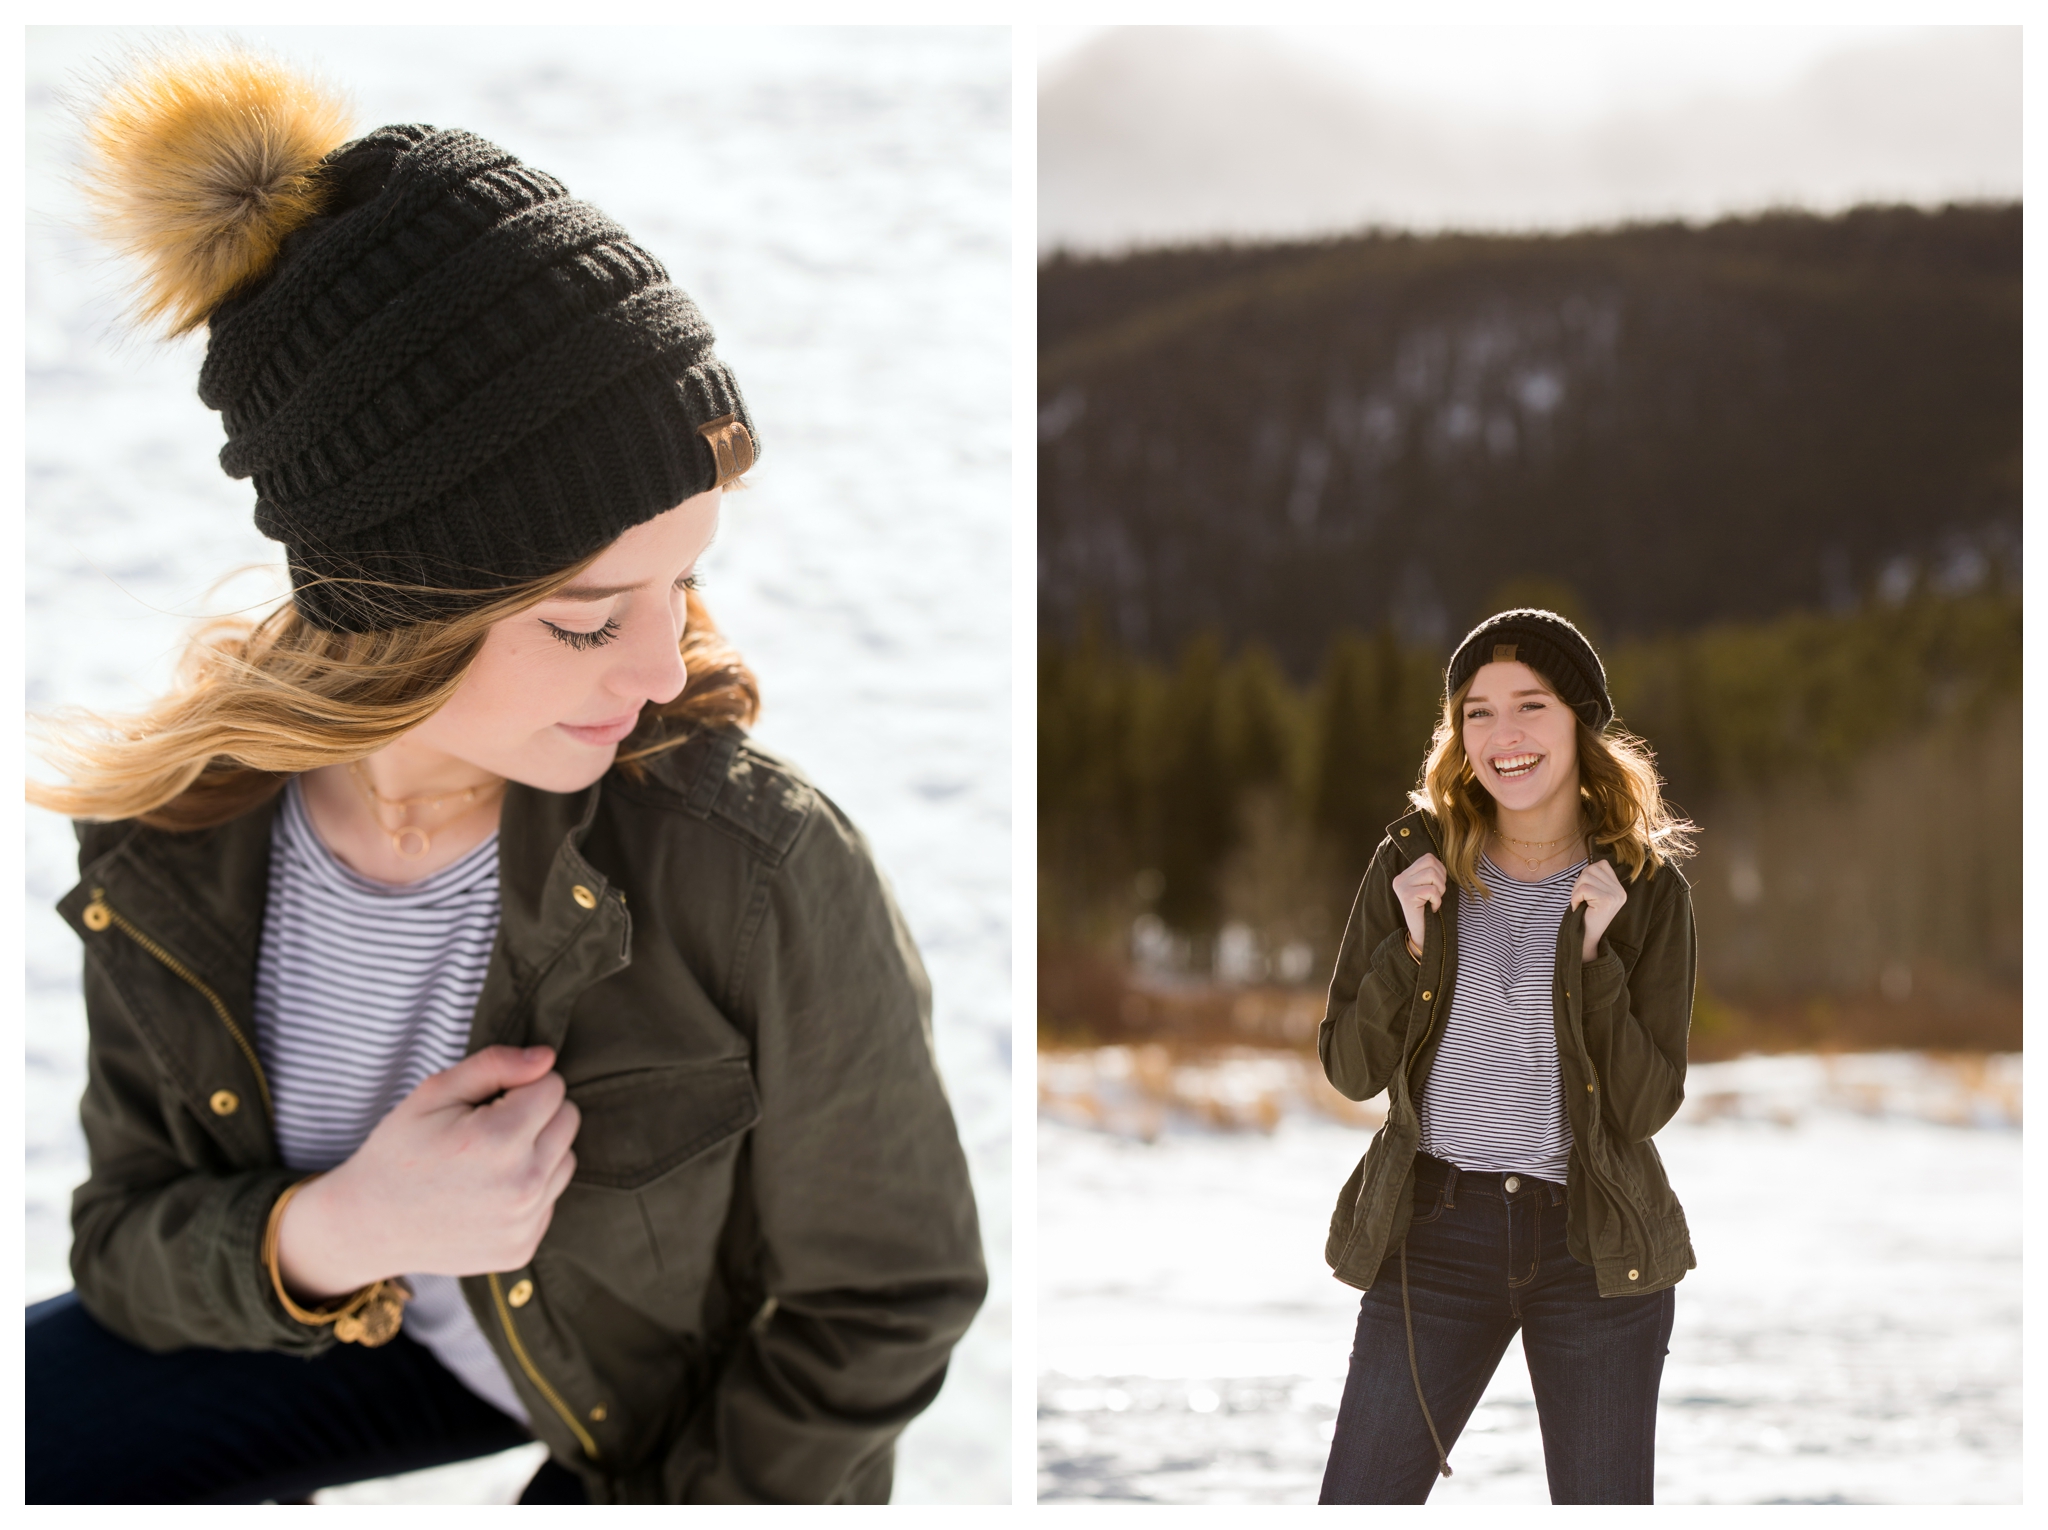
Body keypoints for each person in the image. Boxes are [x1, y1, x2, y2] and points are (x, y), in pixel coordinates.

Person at [25, 46, 985, 1505]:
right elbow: (127, 1247)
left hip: (656, 1422)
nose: (662, 670)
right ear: (399, 608)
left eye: (683, 588)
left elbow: (885, 1296)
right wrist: (338, 1228)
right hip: (350, 1334)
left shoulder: (753, 864)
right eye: (590, 619)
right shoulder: (182, 848)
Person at [1315, 608, 1697, 1505]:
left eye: (1530, 706)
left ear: (1579, 723)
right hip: (1435, 1237)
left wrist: (1597, 959)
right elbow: (1348, 1066)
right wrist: (1405, 946)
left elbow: (1644, 1106)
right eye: (1476, 712)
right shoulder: (1412, 865)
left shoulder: (1645, 891)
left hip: (1591, 1248)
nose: (1503, 735)